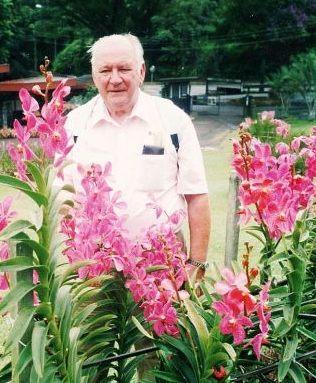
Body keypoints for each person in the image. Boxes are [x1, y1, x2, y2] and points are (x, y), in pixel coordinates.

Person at [59, 33, 211, 379]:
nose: (115, 78)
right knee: (91, 354)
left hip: (159, 262)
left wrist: (196, 263)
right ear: (93, 75)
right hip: (93, 264)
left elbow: (197, 195)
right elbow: (63, 203)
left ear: (141, 71)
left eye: (124, 68)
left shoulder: (172, 121)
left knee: (157, 358)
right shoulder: (74, 127)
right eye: (105, 70)